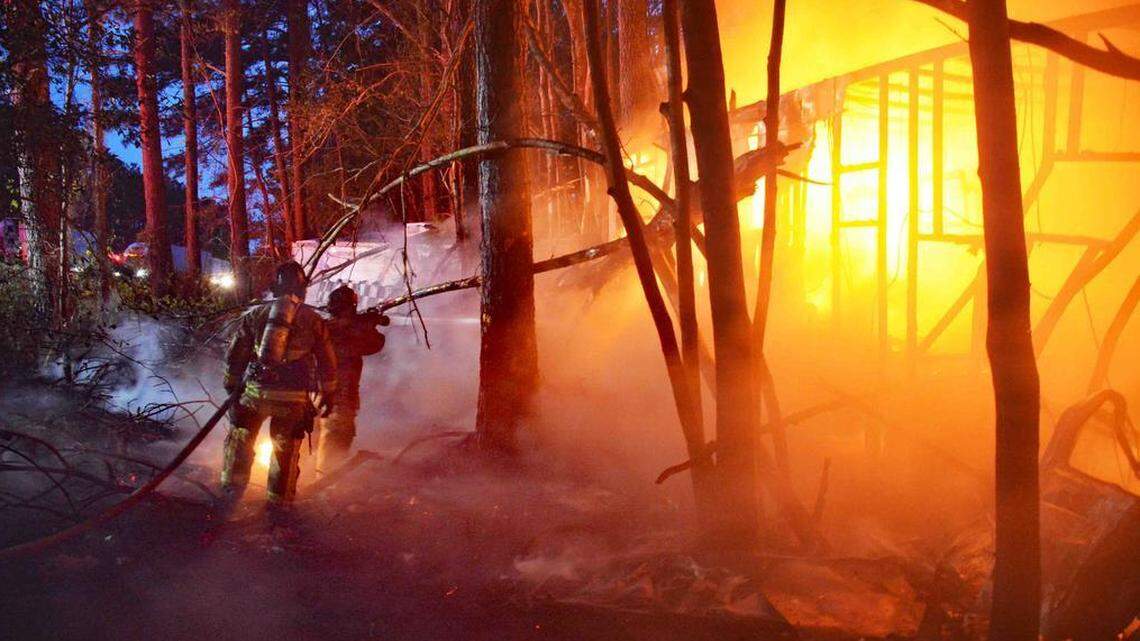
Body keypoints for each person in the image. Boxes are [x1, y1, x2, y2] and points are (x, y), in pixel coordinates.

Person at [220, 261, 337, 506]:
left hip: (255, 394)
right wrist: (328, 394)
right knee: (285, 450)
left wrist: (231, 386)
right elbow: (327, 361)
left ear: (275, 287)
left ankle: (230, 493)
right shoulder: (314, 320)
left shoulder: (256, 315)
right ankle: (278, 503)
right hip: (292, 400)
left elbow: (236, 354)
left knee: (241, 439)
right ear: (302, 289)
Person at [316, 284, 387, 473]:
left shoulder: (322, 328)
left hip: (315, 395)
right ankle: (325, 484)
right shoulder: (350, 331)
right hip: (341, 398)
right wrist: (369, 324)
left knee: (315, 442)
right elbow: (376, 344)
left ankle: (303, 481)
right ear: (351, 306)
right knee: (336, 442)